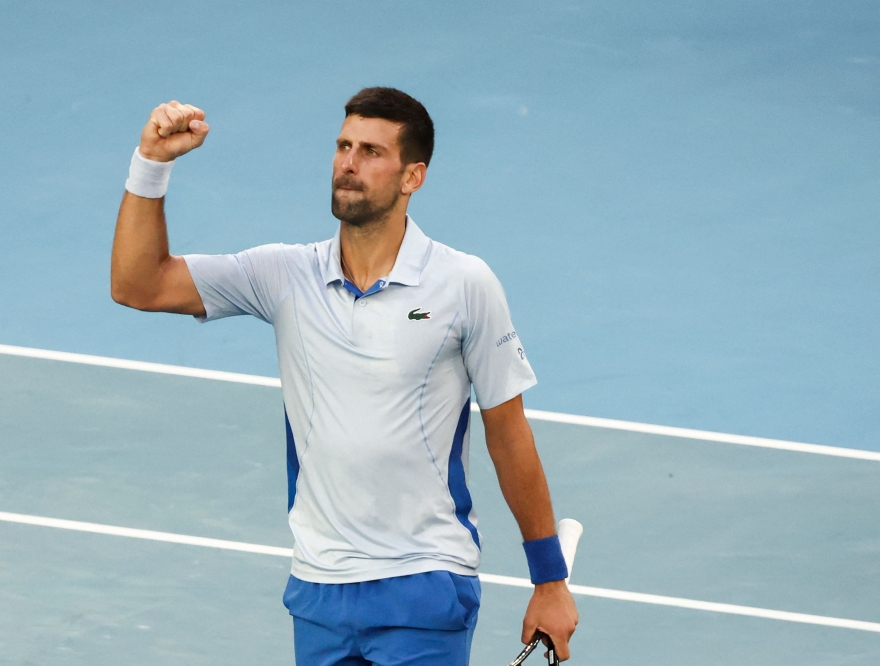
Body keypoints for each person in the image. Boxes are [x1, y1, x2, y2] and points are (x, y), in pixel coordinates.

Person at [110, 87, 578, 665]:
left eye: (372, 152)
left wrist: (549, 578)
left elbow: (508, 435)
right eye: (343, 146)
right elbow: (138, 284)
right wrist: (151, 165)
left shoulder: (463, 284)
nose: (349, 163)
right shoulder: (284, 275)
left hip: (423, 584)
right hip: (319, 589)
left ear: (413, 177)